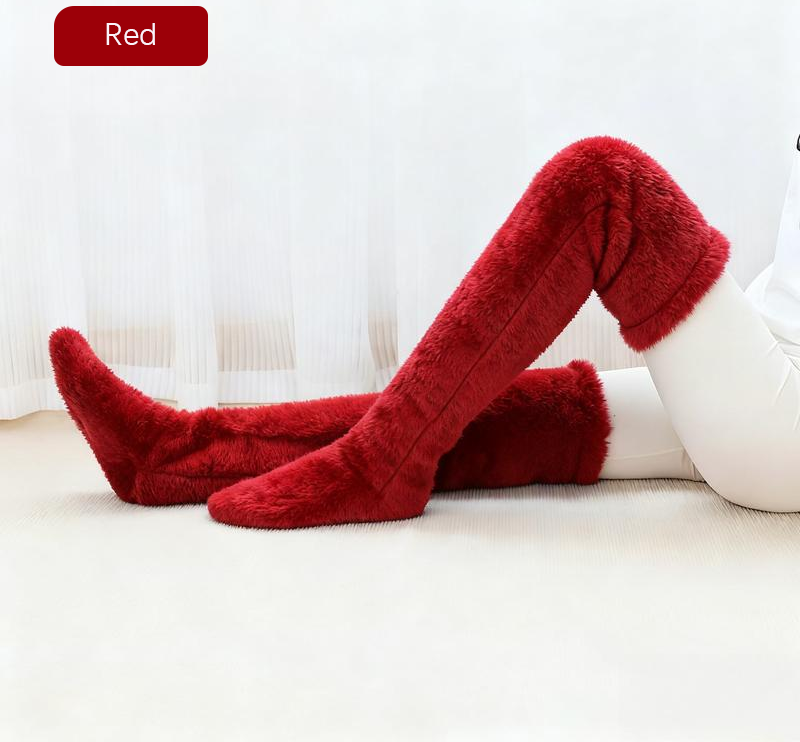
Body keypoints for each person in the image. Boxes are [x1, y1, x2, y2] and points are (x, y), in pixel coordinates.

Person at [49, 136, 800, 528]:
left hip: (783, 421)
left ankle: (380, 468)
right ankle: (172, 454)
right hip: (771, 367)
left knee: (604, 187)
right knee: (495, 414)